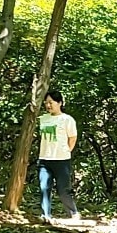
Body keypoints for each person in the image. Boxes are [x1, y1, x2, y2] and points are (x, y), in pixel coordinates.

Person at [37, 90, 80, 223]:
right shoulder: (43, 119)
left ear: (60, 103)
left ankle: (73, 212)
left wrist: (66, 151)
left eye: (51, 102)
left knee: (63, 190)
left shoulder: (67, 120)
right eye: (46, 103)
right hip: (44, 159)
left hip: (61, 160)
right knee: (44, 187)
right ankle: (46, 215)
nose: (48, 105)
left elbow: (72, 138)